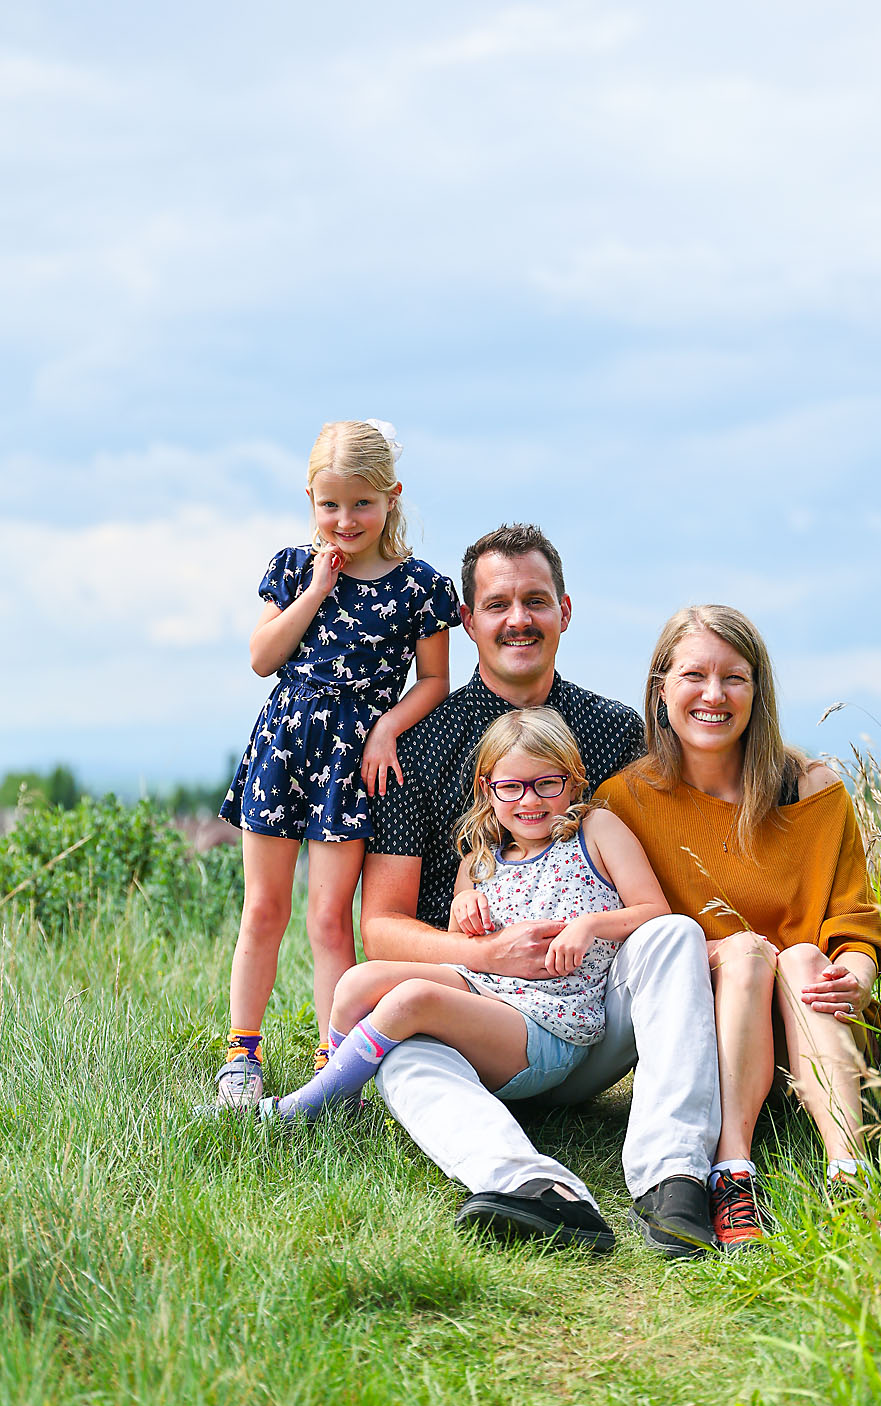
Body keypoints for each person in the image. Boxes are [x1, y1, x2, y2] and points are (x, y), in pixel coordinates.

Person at [357, 524, 724, 1258]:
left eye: (533, 601)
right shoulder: (417, 742)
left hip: (593, 1005)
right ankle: (533, 1188)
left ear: (563, 610)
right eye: (496, 604)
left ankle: (674, 1177)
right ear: (468, 622)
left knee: (671, 933)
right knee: (401, 1045)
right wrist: (489, 951)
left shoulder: (617, 733)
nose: (516, 619)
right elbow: (382, 926)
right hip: (480, 1024)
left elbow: (682, 857)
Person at [260, 709, 674, 1251]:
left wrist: (590, 924)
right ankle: (348, 1102)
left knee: (411, 1000)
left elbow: (656, 911)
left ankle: (312, 1102)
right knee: (357, 984)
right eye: (511, 787)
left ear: (573, 780)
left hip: (550, 1021)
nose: (530, 801)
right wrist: (465, 904)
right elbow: (466, 935)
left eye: (547, 783)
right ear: (487, 789)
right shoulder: (481, 856)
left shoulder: (595, 831)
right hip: (486, 992)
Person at [596, 605, 881, 1252]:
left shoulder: (812, 791)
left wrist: (858, 973)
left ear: (757, 691)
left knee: (807, 959)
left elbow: (855, 919)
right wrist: (728, 953)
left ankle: (849, 1168)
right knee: (745, 953)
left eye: (733, 677)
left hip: (813, 1024)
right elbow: (630, 944)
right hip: (709, 1026)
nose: (713, 694)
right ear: (660, 687)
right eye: (693, 675)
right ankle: (732, 1169)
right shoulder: (623, 802)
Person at [215, 419, 460, 1109]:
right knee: (263, 908)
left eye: (361, 503)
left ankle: (332, 1063)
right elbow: (264, 658)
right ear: (310, 499)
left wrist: (386, 730)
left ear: (391, 497)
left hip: (352, 760)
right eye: (330, 504)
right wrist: (318, 588)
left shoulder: (421, 587)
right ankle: (242, 1053)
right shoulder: (294, 566)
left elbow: (434, 681)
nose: (345, 519)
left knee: (329, 918)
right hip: (282, 745)